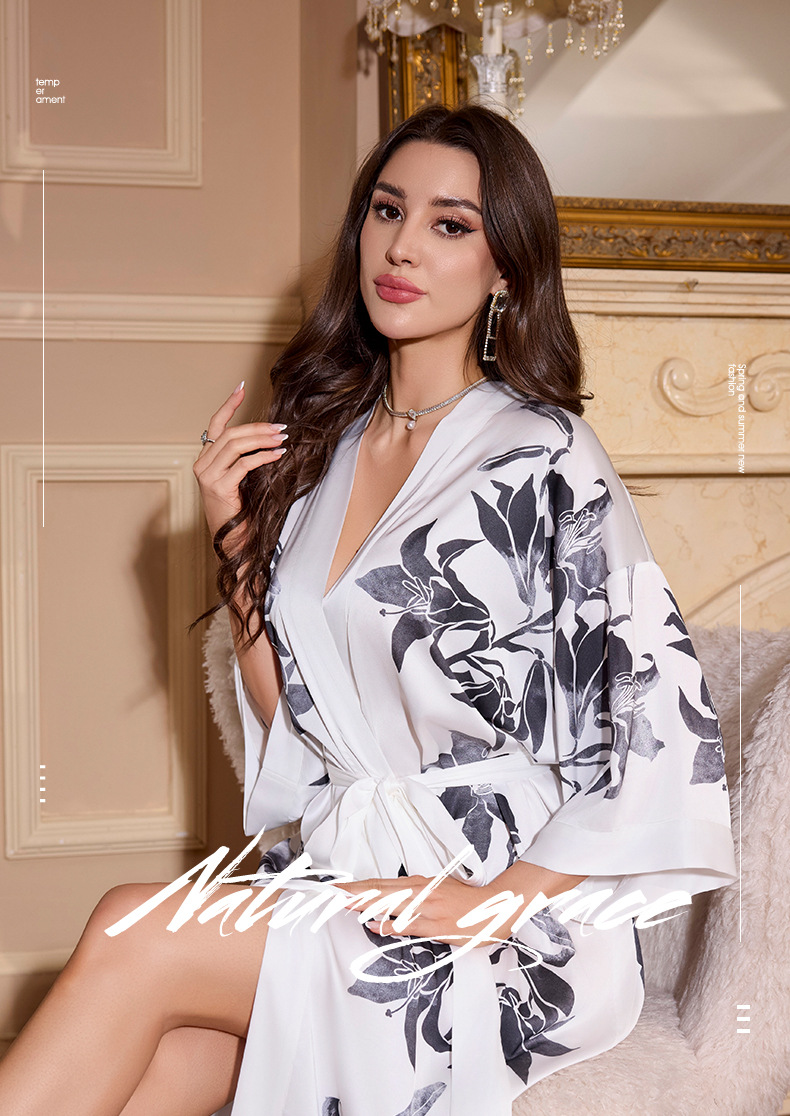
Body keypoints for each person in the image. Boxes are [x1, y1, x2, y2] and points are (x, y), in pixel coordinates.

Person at [0, 104, 737, 1116]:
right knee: (163, 1064)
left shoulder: (545, 455)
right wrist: (235, 536)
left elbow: (657, 722)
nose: (401, 246)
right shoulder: (322, 449)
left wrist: (493, 903)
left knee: (137, 926)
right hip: (352, 874)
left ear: (506, 268)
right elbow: (301, 727)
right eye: (388, 211)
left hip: (504, 913)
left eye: (449, 224)